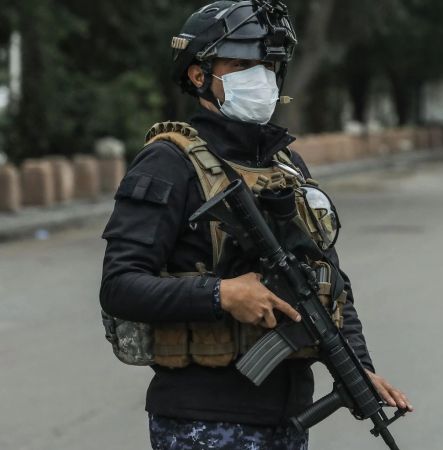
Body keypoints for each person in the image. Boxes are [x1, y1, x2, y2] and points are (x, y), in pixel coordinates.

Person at [98, 2, 411, 449]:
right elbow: (120, 285)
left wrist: (358, 366)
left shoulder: (288, 166)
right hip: (201, 419)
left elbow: (329, 282)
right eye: (241, 64)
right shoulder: (167, 164)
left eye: (267, 65)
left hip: (285, 420)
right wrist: (222, 295)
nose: (259, 77)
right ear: (199, 74)